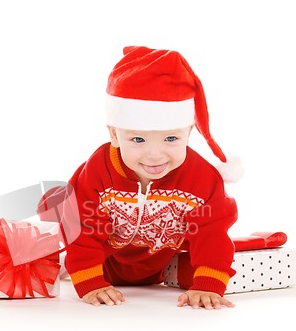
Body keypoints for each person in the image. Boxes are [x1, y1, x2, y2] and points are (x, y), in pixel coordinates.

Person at [42, 46, 239, 309]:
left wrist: (207, 286)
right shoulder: (99, 170)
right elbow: (82, 228)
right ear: (114, 135)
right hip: (106, 265)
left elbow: (212, 232)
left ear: (188, 132)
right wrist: (90, 281)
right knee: (68, 249)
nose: (155, 155)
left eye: (171, 138)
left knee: (217, 265)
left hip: (165, 268)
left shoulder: (201, 179)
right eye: (138, 139)